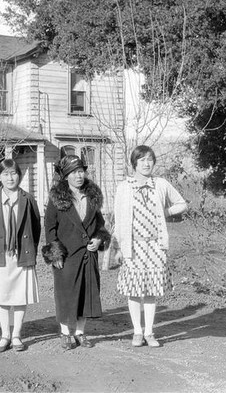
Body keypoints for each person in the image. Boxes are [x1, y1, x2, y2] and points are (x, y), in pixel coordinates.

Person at [114, 145, 187, 347]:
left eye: (150, 159)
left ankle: (149, 332)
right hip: (133, 246)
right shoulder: (124, 187)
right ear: (134, 163)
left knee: (151, 290)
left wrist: (166, 212)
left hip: (155, 245)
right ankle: (137, 332)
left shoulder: (161, 184)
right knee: (134, 290)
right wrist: (119, 247)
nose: (146, 164)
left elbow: (182, 204)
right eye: (142, 160)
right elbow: (118, 220)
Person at [44, 155, 110, 350]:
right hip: (66, 256)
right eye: (73, 173)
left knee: (85, 295)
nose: (79, 176)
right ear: (65, 176)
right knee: (66, 294)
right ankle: (66, 334)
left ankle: (80, 333)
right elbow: (49, 228)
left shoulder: (92, 197)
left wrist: (99, 239)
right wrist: (55, 254)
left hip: (88, 256)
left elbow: (100, 225)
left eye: (81, 171)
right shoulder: (57, 199)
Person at [0, 159, 41, 353]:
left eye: (13, 173)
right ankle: (5, 334)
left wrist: (27, 247)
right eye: (5, 174)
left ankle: (17, 335)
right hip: (0, 253)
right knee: (2, 295)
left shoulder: (28, 198)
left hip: (21, 253)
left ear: (19, 176)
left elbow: (36, 227)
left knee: (19, 295)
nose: (10, 177)